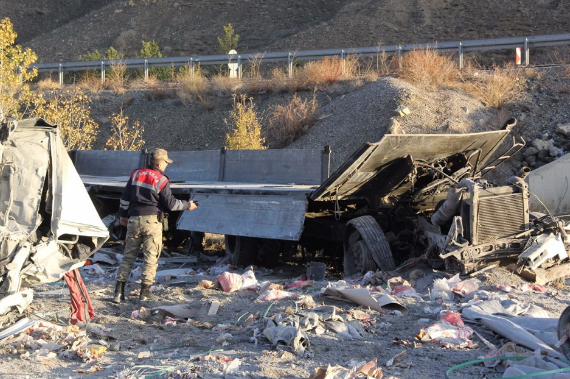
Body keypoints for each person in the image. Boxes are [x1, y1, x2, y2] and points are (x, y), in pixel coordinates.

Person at [112, 148, 198, 303]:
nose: (166, 165)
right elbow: (171, 204)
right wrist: (188, 205)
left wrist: (123, 216)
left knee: (128, 256)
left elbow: (124, 198)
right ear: (159, 163)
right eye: (166, 162)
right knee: (150, 258)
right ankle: (144, 294)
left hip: (133, 220)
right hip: (152, 222)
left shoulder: (136, 174)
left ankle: (118, 292)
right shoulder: (162, 179)